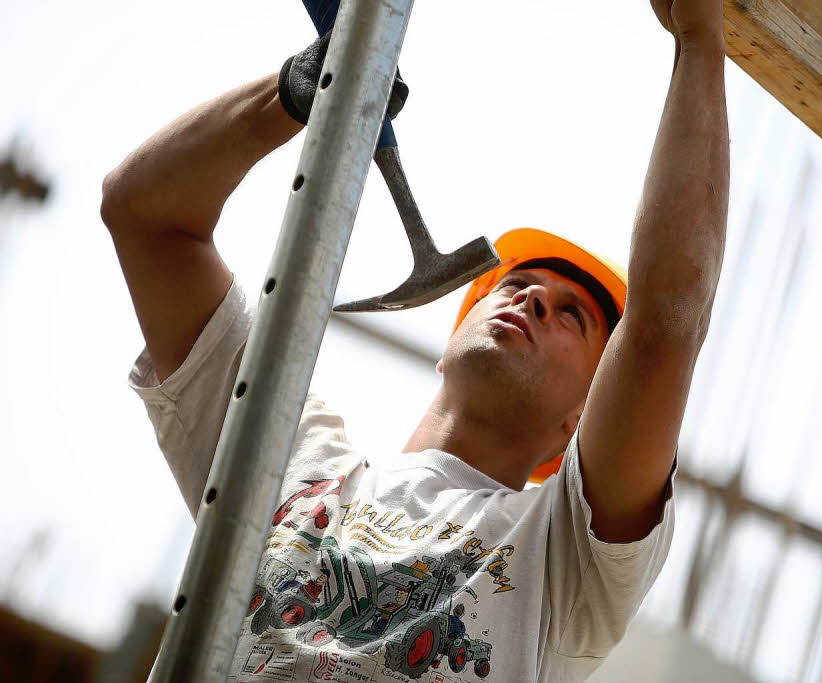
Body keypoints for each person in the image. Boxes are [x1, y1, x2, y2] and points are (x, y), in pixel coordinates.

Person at [100, 0, 728, 680]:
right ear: (449, 344)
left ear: (579, 423)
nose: (535, 296)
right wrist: (294, 91)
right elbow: (144, 213)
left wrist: (699, 40)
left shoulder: (561, 560)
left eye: (573, 315)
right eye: (513, 286)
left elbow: (666, 322)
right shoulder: (282, 449)